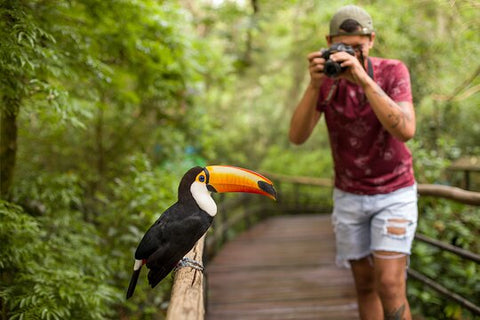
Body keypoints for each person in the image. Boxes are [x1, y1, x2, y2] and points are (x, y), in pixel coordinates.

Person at [289, 5, 417, 320]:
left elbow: (406, 130)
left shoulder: (392, 71)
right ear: (328, 42)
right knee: (364, 284)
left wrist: (363, 80)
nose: (351, 55)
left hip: (394, 192)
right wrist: (314, 85)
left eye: (358, 47)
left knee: (389, 284)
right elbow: (297, 136)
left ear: (371, 40)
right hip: (349, 196)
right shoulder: (326, 80)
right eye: (342, 47)